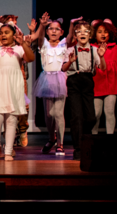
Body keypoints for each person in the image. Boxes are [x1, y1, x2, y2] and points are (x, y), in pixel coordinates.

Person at [0, 9, 37, 161]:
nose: (3, 35)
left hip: (13, 86)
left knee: (11, 120)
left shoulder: (19, 49)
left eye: (7, 32)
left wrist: (23, 43)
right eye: (1, 33)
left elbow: (30, 58)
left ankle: (8, 152)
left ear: (14, 35)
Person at [63, 19, 105, 160]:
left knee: (91, 117)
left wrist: (101, 57)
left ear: (90, 35)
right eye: (79, 31)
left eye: (85, 31)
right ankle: (79, 148)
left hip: (87, 81)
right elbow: (63, 68)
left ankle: (85, 141)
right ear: (75, 35)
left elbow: (103, 67)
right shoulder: (70, 50)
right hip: (74, 81)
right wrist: (70, 62)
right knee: (77, 117)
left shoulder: (94, 50)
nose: (82, 33)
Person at [32, 14, 66, 155]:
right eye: (51, 29)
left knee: (59, 113)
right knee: (49, 114)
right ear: (47, 31)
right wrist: (42, 25)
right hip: (47, 79)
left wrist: (72, 24)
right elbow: (39, 39)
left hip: (59, 80)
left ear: (61, 32)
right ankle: (52, 138)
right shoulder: (44, 44)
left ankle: (60, 144)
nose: (53, 31)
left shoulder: (64, 44)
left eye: (56, 29)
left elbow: (71, 37)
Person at [91, 20, 116, 135]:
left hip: (111, 85)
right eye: (99, 32)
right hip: (96, 85)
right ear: (95, 34)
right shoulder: (91, 48)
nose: (103, 34)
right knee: (96, 113)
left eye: (105, 32)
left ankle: (110, 138)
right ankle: (93, 138)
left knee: (110, 112)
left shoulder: (115, 48)